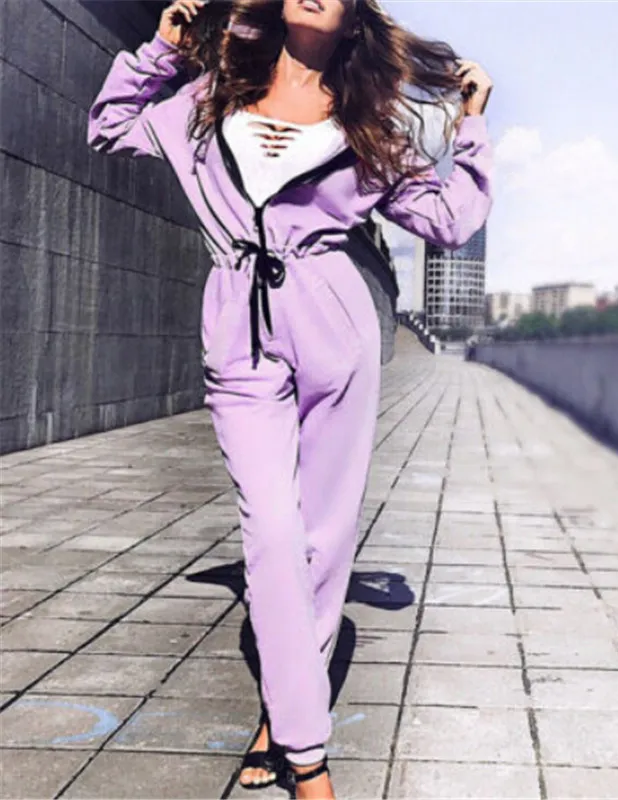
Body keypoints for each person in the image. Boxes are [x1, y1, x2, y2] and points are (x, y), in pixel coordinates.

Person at [87, 0, 493, 796]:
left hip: (334, 325)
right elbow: (109, 127)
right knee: (272, 534)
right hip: (239, 328)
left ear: (354, 17)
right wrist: (161, 50)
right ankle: (309, 760)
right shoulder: (209, 96)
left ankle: (284, 716)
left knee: (323, 541)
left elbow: (450, 221)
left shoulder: (371, 122)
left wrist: (470, 125)